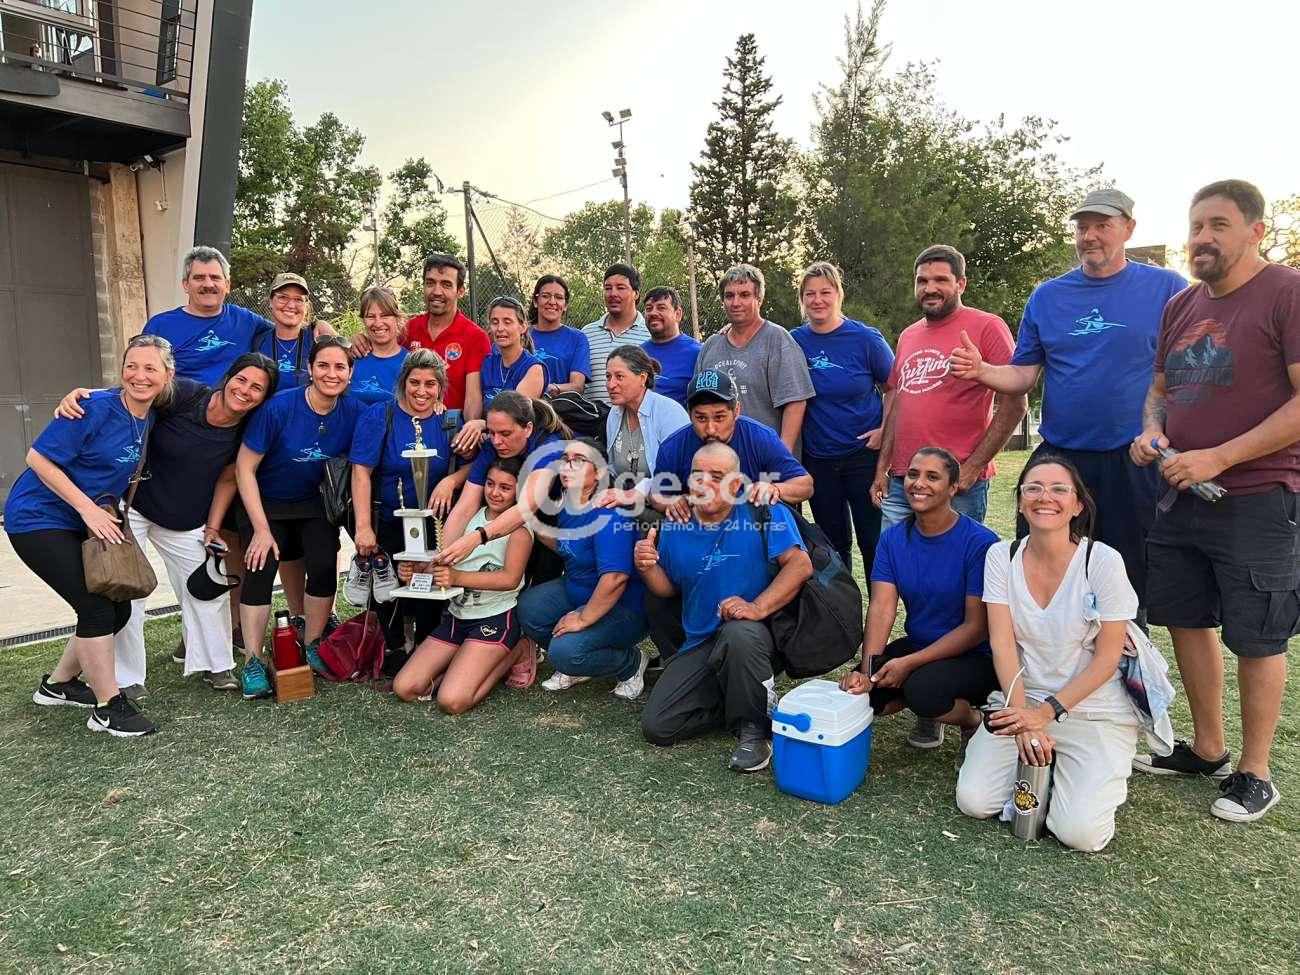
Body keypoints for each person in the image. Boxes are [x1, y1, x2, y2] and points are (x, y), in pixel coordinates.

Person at [1129, 179, 1300, 824]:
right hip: (1181, 492)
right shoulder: (1181, 305)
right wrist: (1152, 431)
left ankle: (1255, 772)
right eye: (1196, 225)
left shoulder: (1286, 293)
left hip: (1259, 495)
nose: (1202, 237)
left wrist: (1221, 456)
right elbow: (1159, 390)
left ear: (1257, 230)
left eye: (1218, 225)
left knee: (1257, 635)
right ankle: (1207, 748)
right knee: (1186, 618)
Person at [950, 190, 1186, 605]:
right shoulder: (1048, 296)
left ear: (1129, 229)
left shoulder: (1167, 287)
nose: (1089, 236)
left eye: (1102, 225)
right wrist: (983, 370)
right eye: (1082, 227)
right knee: (1044, 569)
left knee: (1128, 580)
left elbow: (1188, 369)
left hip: (1133, 457)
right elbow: (1024, 375)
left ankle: (1124, 646)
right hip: (1061, 456)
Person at [52, 353, 280, 698]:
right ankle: (128, 678)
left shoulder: (248, 429)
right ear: (227, 377)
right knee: (126, 587)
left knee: (209, 585)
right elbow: (137, 391)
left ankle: (217, 666)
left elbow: (228, 478)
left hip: (186, 517)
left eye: (257, 388)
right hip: (136, 505)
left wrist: (213, 528)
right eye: (241, 380)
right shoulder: (187, 395)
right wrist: (86, 395)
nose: (245, 390)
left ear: (263, 397)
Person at [955, 455, 1140, 853]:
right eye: (1034, 488)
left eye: (1059, 489)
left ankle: (1074, 774)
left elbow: (1107, 659)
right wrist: (1025, 719)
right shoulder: (1001, 557)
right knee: (974, 801)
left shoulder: (1102, 561)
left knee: (1080, 835)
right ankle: (1048, 765)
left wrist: (1045, 714)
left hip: (1092, 708)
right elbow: (1003, 644)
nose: (1045, 497)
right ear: (1021, 502)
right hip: (1022, 700)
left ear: (1077, 505)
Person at [6, 334, 175, 737]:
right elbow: (37, 458)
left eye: (150, 368)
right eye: (131, 366)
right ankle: (108, 707)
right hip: (37, 517)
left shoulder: (150, 413)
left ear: (167, 376)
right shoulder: (92, 407)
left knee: (117, 609)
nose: (139, 376)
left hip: (80, 522)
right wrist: (87, 509)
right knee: (96, 607)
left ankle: (57, 685)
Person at [637, 442, 813, 772]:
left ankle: (755, 730)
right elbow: (670, 588)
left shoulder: (761, 510)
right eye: (697, 475)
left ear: (736, 484)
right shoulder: (676, 522)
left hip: (759, 637)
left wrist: (757, 607)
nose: (704, 483)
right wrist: (647, 567)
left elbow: (800, 565)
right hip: (701, 641)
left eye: (716, 476)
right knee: (658, 726)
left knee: (739, 633)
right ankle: (740, 701)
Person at [838, 448, 998, 764]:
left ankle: (974, 722)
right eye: (913, 474)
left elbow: (976, 628)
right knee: (861, 692)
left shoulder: (981, 542)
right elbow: (882, 608)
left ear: (953, 488)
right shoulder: (893, 539)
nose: (918, 483)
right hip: (920, 645)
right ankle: (930, 704)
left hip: (976, 656)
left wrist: (909, 664)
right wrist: (868, 670)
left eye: (932, 476)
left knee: (921, 690)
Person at [235, 336, 364, 694]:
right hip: (266, 500)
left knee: (323, 562)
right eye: (323, 365)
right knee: (260, 567)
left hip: (313, 501)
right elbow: (244, 468)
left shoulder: (354, 410)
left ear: (351, 373)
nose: (331, 374)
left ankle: (312, 643)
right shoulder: (279, 408)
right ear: (309, 368)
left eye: (340, 367)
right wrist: (261, 529)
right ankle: (252, 661)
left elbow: (396, 409)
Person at [872, 245, 1026, 527]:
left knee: (954, 556)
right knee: (895, 554)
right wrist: (882, 468)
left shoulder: (988, 326)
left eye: (941, 280)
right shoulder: (908, 335)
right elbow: (898, 406)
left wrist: (972, 469)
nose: (930, 288)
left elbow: (1016, 404)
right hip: (903, 480)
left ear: (961, 284)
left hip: (957, 482)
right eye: (922, 281)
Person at [350, 349, 467, 667]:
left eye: (430, 384)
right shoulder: (381, 415)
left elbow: (472, 466)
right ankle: (394, 647)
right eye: (415, 382)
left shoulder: (449, 421)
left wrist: (451, 481)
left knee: (430, 583)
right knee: (388, 583)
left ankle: (428, 645)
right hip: (389, 518)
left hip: (435, 523)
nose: (421, 391)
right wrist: (363, 527)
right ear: (403, 382)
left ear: (440, 387)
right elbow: (361, 472)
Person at [392, 456, 534, 712]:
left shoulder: (519, 530)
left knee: (452, 701)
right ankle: (464, 660)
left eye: (505, 487)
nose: (495, 492)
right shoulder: (469, 516)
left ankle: (517, 650)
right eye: (490, 483)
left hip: (495, 618)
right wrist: (415, 574)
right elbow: (442, 564)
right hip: (457, 617)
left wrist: (457, 578)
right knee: (405, 687)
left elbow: (510, 579)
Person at [518, 438, 651, 699]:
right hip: (578, 589)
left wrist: (582, 619)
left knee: (565, 651)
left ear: (599, 472)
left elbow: (615, 578)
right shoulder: (569, 504)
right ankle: (579, 663)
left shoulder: (609, 513)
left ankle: (631, 664)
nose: (567, 466)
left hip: (624, 606)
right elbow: (569, 546)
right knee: (529, 609)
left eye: (578, 461)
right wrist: (534, 526)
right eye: (565, 460)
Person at [791, 261, 895, 571]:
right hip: (819, 459)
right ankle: (843, 602)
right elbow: (761, 341)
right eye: (810, 293)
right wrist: (731, 329)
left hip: (863, 456)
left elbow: (894, 389)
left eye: (825, 292)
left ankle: (880, 602)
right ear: (802, 299)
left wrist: (884, 430)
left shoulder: (865, 339)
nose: (817, 300)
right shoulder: (793, 341)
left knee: (873, 542)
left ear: (838, 294)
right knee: (833, 546)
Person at [649, 370, 813, 525]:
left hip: (753, 528)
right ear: (689, 414)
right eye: (701, 418)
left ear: (736, 411)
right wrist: (673, 502)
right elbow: (655, 495)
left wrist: (775, 488)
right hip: (700, 530)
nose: (710, 429)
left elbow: (805, 485)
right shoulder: (673, 447)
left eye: (719, 417)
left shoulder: (761, 438)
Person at [696, 264, 815, 453]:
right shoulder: (711, 346)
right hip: (719, 457)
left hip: (764, 456)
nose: (735, 303)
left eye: (744, 295)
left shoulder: (777, 340)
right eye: (729, 296)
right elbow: (699, 402)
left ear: (759, 299)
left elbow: (795, 403)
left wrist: (782, 455)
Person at [143, 246, 271, 386]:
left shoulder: (245, 320)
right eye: (199, 278)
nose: (208, 284)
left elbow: (283, 334)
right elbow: (143, 374)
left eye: (215, 277)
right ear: (185, 285)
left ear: (227, 285)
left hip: (233, 398)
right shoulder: (160, 326)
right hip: (182, 399)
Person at [594, 345, 689, 509]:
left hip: (666, 505)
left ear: (642, 378)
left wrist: (635, 493)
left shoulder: (669, 413)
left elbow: (675, 475)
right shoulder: (615, 414)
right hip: (625, 501)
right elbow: (613, 468)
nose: (611, 384)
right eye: (608, 377)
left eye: (619, 376)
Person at [399, 253, 491, 416]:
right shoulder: (409, 329)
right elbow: (382, 350)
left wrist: (469, 428)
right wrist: (360, 341)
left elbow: (473, 398)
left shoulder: (476, 337)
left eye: (446, 285)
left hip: (451, 425)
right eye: (430, 283)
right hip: (410, 422)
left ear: (460, 291)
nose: (436, 291)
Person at [582, 263, 651, 406]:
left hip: (636, 417)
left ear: (636, 293)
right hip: (592, 418)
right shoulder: (586, 334)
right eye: (608, 288)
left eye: (620, 288)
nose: (613, 294)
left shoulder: (650, 334)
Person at [256, 273, 334, 388]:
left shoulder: (319, 338)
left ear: (306, 306)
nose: (291, 305)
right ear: (271, 301)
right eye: (283, 297)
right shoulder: (258, 342)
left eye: (298, 299)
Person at [528, 274, 590, 396]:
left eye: (559, 297)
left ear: (565, 305)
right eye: (545, 296)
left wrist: (551, 388)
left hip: (560, 406)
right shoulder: (520, 335)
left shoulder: (577, 338)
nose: (552, 302)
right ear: (535, 301)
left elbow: (577, 386)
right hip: (522, 404)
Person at [641, 286, 700, 409]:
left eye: (661, 308)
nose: (653, 313)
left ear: (678, 314)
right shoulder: (638, 354)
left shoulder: (697, 353)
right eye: (649, 308)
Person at [349, 286, 409, 405]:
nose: (378, 323)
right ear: (363, 320)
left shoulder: (410, 363)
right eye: (370, 317)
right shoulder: (351, 356)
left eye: (385, 315)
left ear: (397, 318)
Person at [480, 296, 546, 402]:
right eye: (495, 322)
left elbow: (514, 411)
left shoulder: (533, 368)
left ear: (523, 327)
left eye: (507, 322)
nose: (500, 328)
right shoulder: (487, 363)